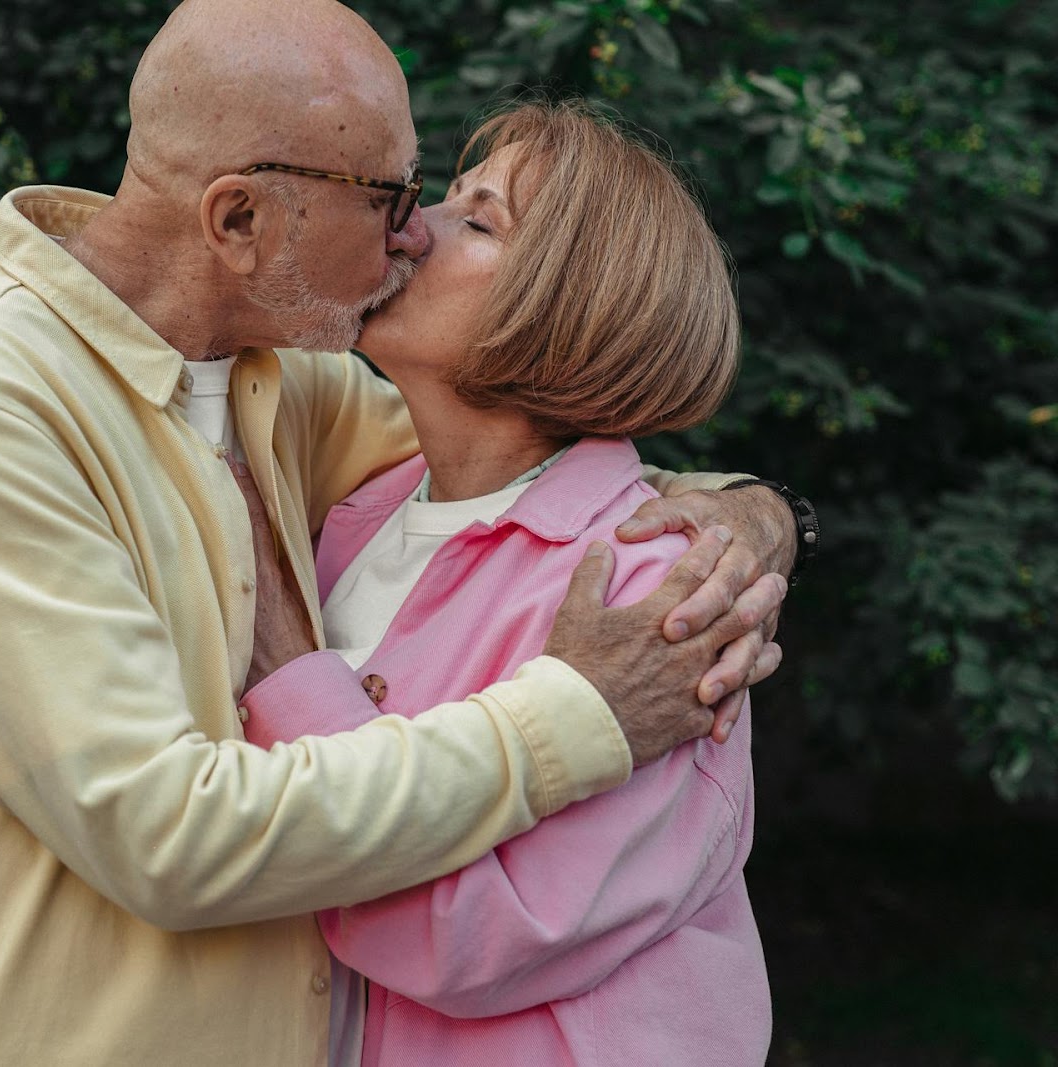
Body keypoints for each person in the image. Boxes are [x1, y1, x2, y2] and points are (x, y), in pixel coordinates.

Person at [0, 1, 801, 1063]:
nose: (407, 231)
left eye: (452, 210)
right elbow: (168, 836)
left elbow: (548, 459)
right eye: (392, 195)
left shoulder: (282, 382)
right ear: (236, 219)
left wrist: (762, 514)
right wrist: (572, 715)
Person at [238, 100, 772, 1067]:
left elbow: (471, 933)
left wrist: (287, 667)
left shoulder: (653, 585)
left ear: (573, 307)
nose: (406, 226)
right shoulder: (357, 517)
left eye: (477, 221)